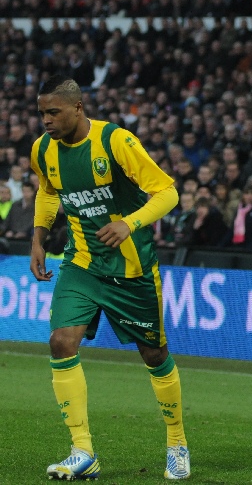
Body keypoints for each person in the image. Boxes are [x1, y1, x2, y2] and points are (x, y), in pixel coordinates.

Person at [29, 75, 190, 481]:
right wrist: (38, 238)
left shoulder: (115, 141)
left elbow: (168, 192)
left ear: (78, 108)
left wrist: (129, 224)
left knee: (153, 355)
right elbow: (49, 191)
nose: (46, 121)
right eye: (42, 113)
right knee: (61, 342)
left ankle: (176, 441)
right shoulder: (43, 149)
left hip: (132, 270)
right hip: (82, 264)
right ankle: (82, 451)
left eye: (54, 112)